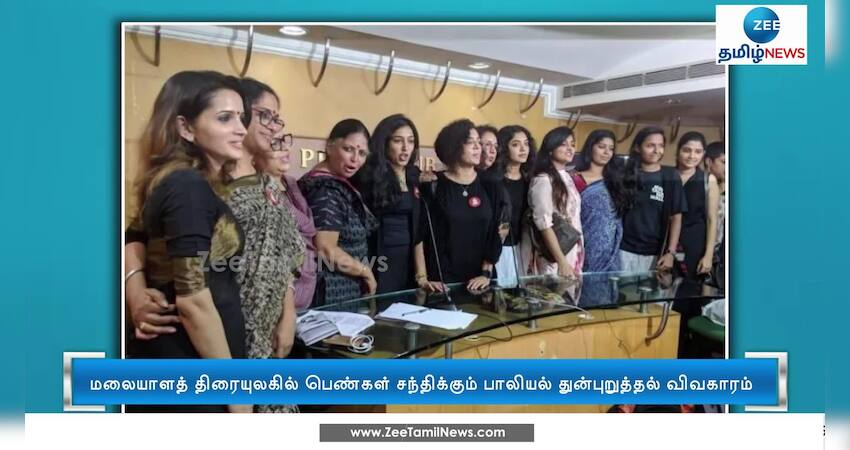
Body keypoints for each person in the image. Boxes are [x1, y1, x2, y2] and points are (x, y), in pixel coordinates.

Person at [124, 70, 249, 413]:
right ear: (186, 128)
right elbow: (193, 299)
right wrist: (236, 395)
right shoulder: (187, 186)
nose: (241, 129)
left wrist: (134, 285)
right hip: (193, 365)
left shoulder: (183, 181)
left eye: (241, 117)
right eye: (225, 118)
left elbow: (134, 233)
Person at [244, 82, 318, 313]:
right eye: (275, 145)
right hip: (266, 301)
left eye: (284, 142)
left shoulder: (293, 185)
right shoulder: (252, 190)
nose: (284, 149)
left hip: (305, 289)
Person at [353, 114, 441, 294]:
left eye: (411, 141)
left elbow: (418, 233)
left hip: (407, 261)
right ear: (384, 143)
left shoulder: (413, 175)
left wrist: (422, 276)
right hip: (378, 260)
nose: (405, 148)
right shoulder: (368, 177)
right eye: (398, 141)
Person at [299, 119, 378, 307]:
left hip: (345, 290)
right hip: (331, 293)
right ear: (329, 146)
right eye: (348, 149)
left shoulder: (335, 182)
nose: (355, 159)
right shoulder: (325, 189)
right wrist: (365, 271)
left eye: (362, 153)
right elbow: (326, 249)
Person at [420, 119, 507, 290]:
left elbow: (497, 231)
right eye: (469, 142)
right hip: (442, 280)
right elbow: (422, 236)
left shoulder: (491, 184)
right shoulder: (433, 184)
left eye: (478, 142)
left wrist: (486, 272)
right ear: (453, 146)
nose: (477, 147)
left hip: (481, 278)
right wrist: (424, 277)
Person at [620, 126, 687, 273]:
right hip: (624, 250)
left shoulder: (670, 175)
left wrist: (671, 253)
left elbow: (676, 217)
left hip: (656, 252)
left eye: (661, 146)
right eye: (650, 145)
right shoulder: (626, 175)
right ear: (638, 148)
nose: (657, 150)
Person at [523, 126, 584, 277]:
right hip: (554, 253)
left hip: (571, 245)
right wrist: (561, 261)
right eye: (563, 144)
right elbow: (543, 224)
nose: (570, 148)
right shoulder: (543, 180)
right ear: (550, 149)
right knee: (553, 289)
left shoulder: (567, 176)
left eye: (572, 144)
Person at [572, 129, 632, 272]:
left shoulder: (617, 181)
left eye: (611, 149)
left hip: (610, 251)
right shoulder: (574, 179)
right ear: (590, 147)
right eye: (601, 147)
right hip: (581, 246)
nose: (606, 152)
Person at [488, 124, 536, 285]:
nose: (523, 149)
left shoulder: (530, 180)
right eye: (515, 144)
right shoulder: (493, 179)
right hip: (497, 248)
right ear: (503, 148)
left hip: (522, 247)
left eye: (526, 144)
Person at [675, 131, 719, 279]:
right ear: (678, 150)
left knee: (690, 288)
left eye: (698, 151)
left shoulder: (708, 180)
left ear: (703, 154)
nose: (692, 156)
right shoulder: (667, 175)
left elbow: (712, 220)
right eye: (687, 150)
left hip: (695, 245)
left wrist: (708, 255)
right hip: (665, 244)